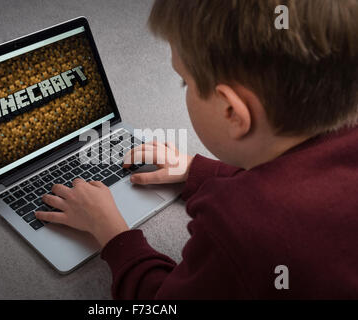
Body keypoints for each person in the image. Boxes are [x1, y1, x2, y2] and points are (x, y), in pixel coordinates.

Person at [36, 0, 358, 299]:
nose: (185, 88)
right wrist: (194, 170)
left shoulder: (237, 227)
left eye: (185, 81)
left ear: (231, 111)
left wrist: (111, 232)